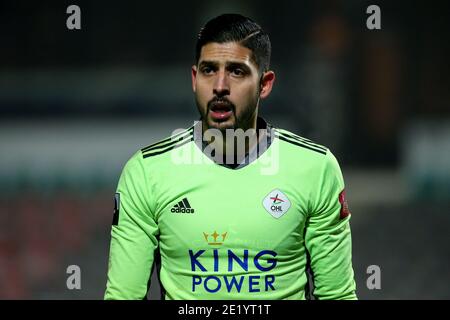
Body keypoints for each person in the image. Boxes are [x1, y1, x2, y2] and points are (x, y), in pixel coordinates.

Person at [104, 13, 356, 300]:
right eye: (209, 70)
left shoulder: (315, 168)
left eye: (237, 71)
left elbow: (338, 296)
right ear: (194, 78)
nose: (220, 85)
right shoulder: (146, 173)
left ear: (265, 84)